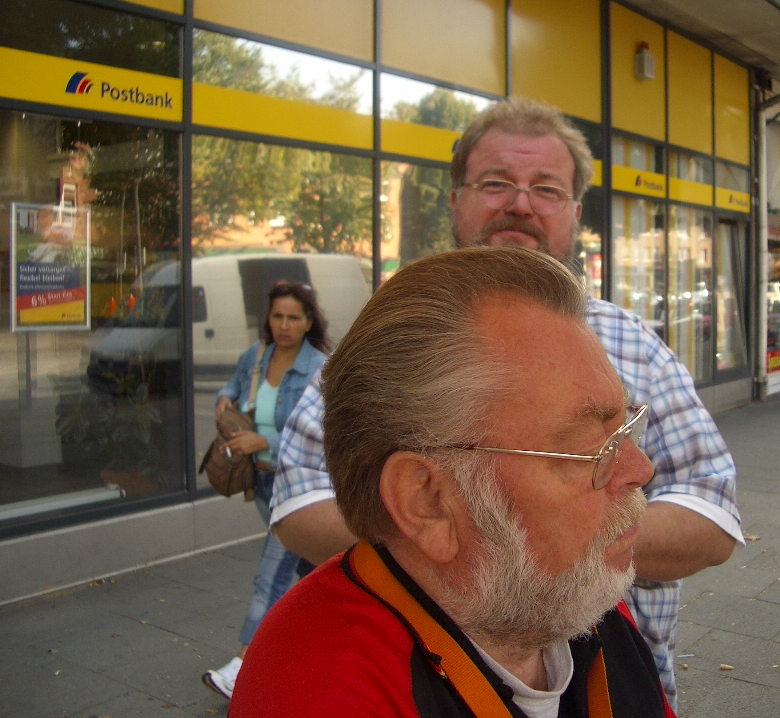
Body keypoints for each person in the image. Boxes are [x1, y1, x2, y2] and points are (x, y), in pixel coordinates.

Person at [269, 98, 743, 707]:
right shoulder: (392, 335)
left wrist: (563, 539)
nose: (520, 204)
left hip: (623, 688)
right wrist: (473, 541)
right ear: (455, 200)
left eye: (546, 189)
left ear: (575, 213)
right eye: (495, 183)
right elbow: (298, 503)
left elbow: (713, 515)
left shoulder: (634, 341)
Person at [231, 246, 673, 717]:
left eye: (625, 427)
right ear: (428, 501)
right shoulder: (319, 694)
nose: (639, 469)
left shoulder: (574, 598)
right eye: (591, 449)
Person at [201, 281, 330, 700]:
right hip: (260, 482)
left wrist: (264, 441)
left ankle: (241, 668)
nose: (284, 325)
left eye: (294, 317)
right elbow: (233, 386)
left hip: (299, 485)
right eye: (277, 316)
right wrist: (224, 399)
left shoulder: (319, 368)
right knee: (314, 571)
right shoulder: (256, 357)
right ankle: (330, 643)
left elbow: (323, 433)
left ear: (309, 322)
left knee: (270, 577)